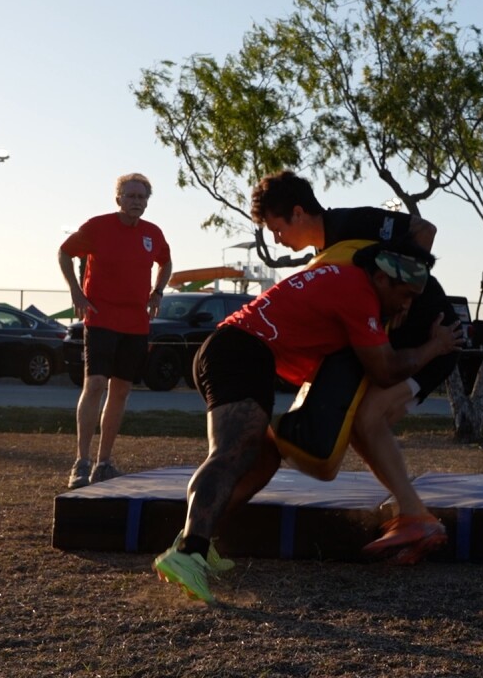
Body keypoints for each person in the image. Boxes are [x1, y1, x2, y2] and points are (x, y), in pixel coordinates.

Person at [153, 241, 462, 603]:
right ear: (381, 278)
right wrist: (435, 347)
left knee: (264, 459)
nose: (407, 305)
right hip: (238, 349)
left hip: (244, 351)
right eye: (404, 294)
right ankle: (188, 552)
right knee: (230, 453)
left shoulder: (352, 282)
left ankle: (198, 541)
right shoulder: (357, 292)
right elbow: (384, 371)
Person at [249, 171, 458, 561]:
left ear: (297, 213)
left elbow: (424, 230)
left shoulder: (350, 223)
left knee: (366, 419)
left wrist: (404, 296)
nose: (277, 239)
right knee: (359, 422)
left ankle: (416, 516)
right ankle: (410, 511)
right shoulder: (323, 259)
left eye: (276, 229)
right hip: (397, 348)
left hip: (435, 334)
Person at [57, 173, 172, 489]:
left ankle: (103, 463)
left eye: (142, 197)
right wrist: (76, 292)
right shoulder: (98, 227)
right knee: (94, 384)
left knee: (121, 390)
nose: (137, 201)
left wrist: (158, 291)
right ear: (118, 198)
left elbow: (166, 261)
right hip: (100, 318)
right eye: (131, 195)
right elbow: (64, 252)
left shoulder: (152, 233)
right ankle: (81, 461)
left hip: (136, 322)